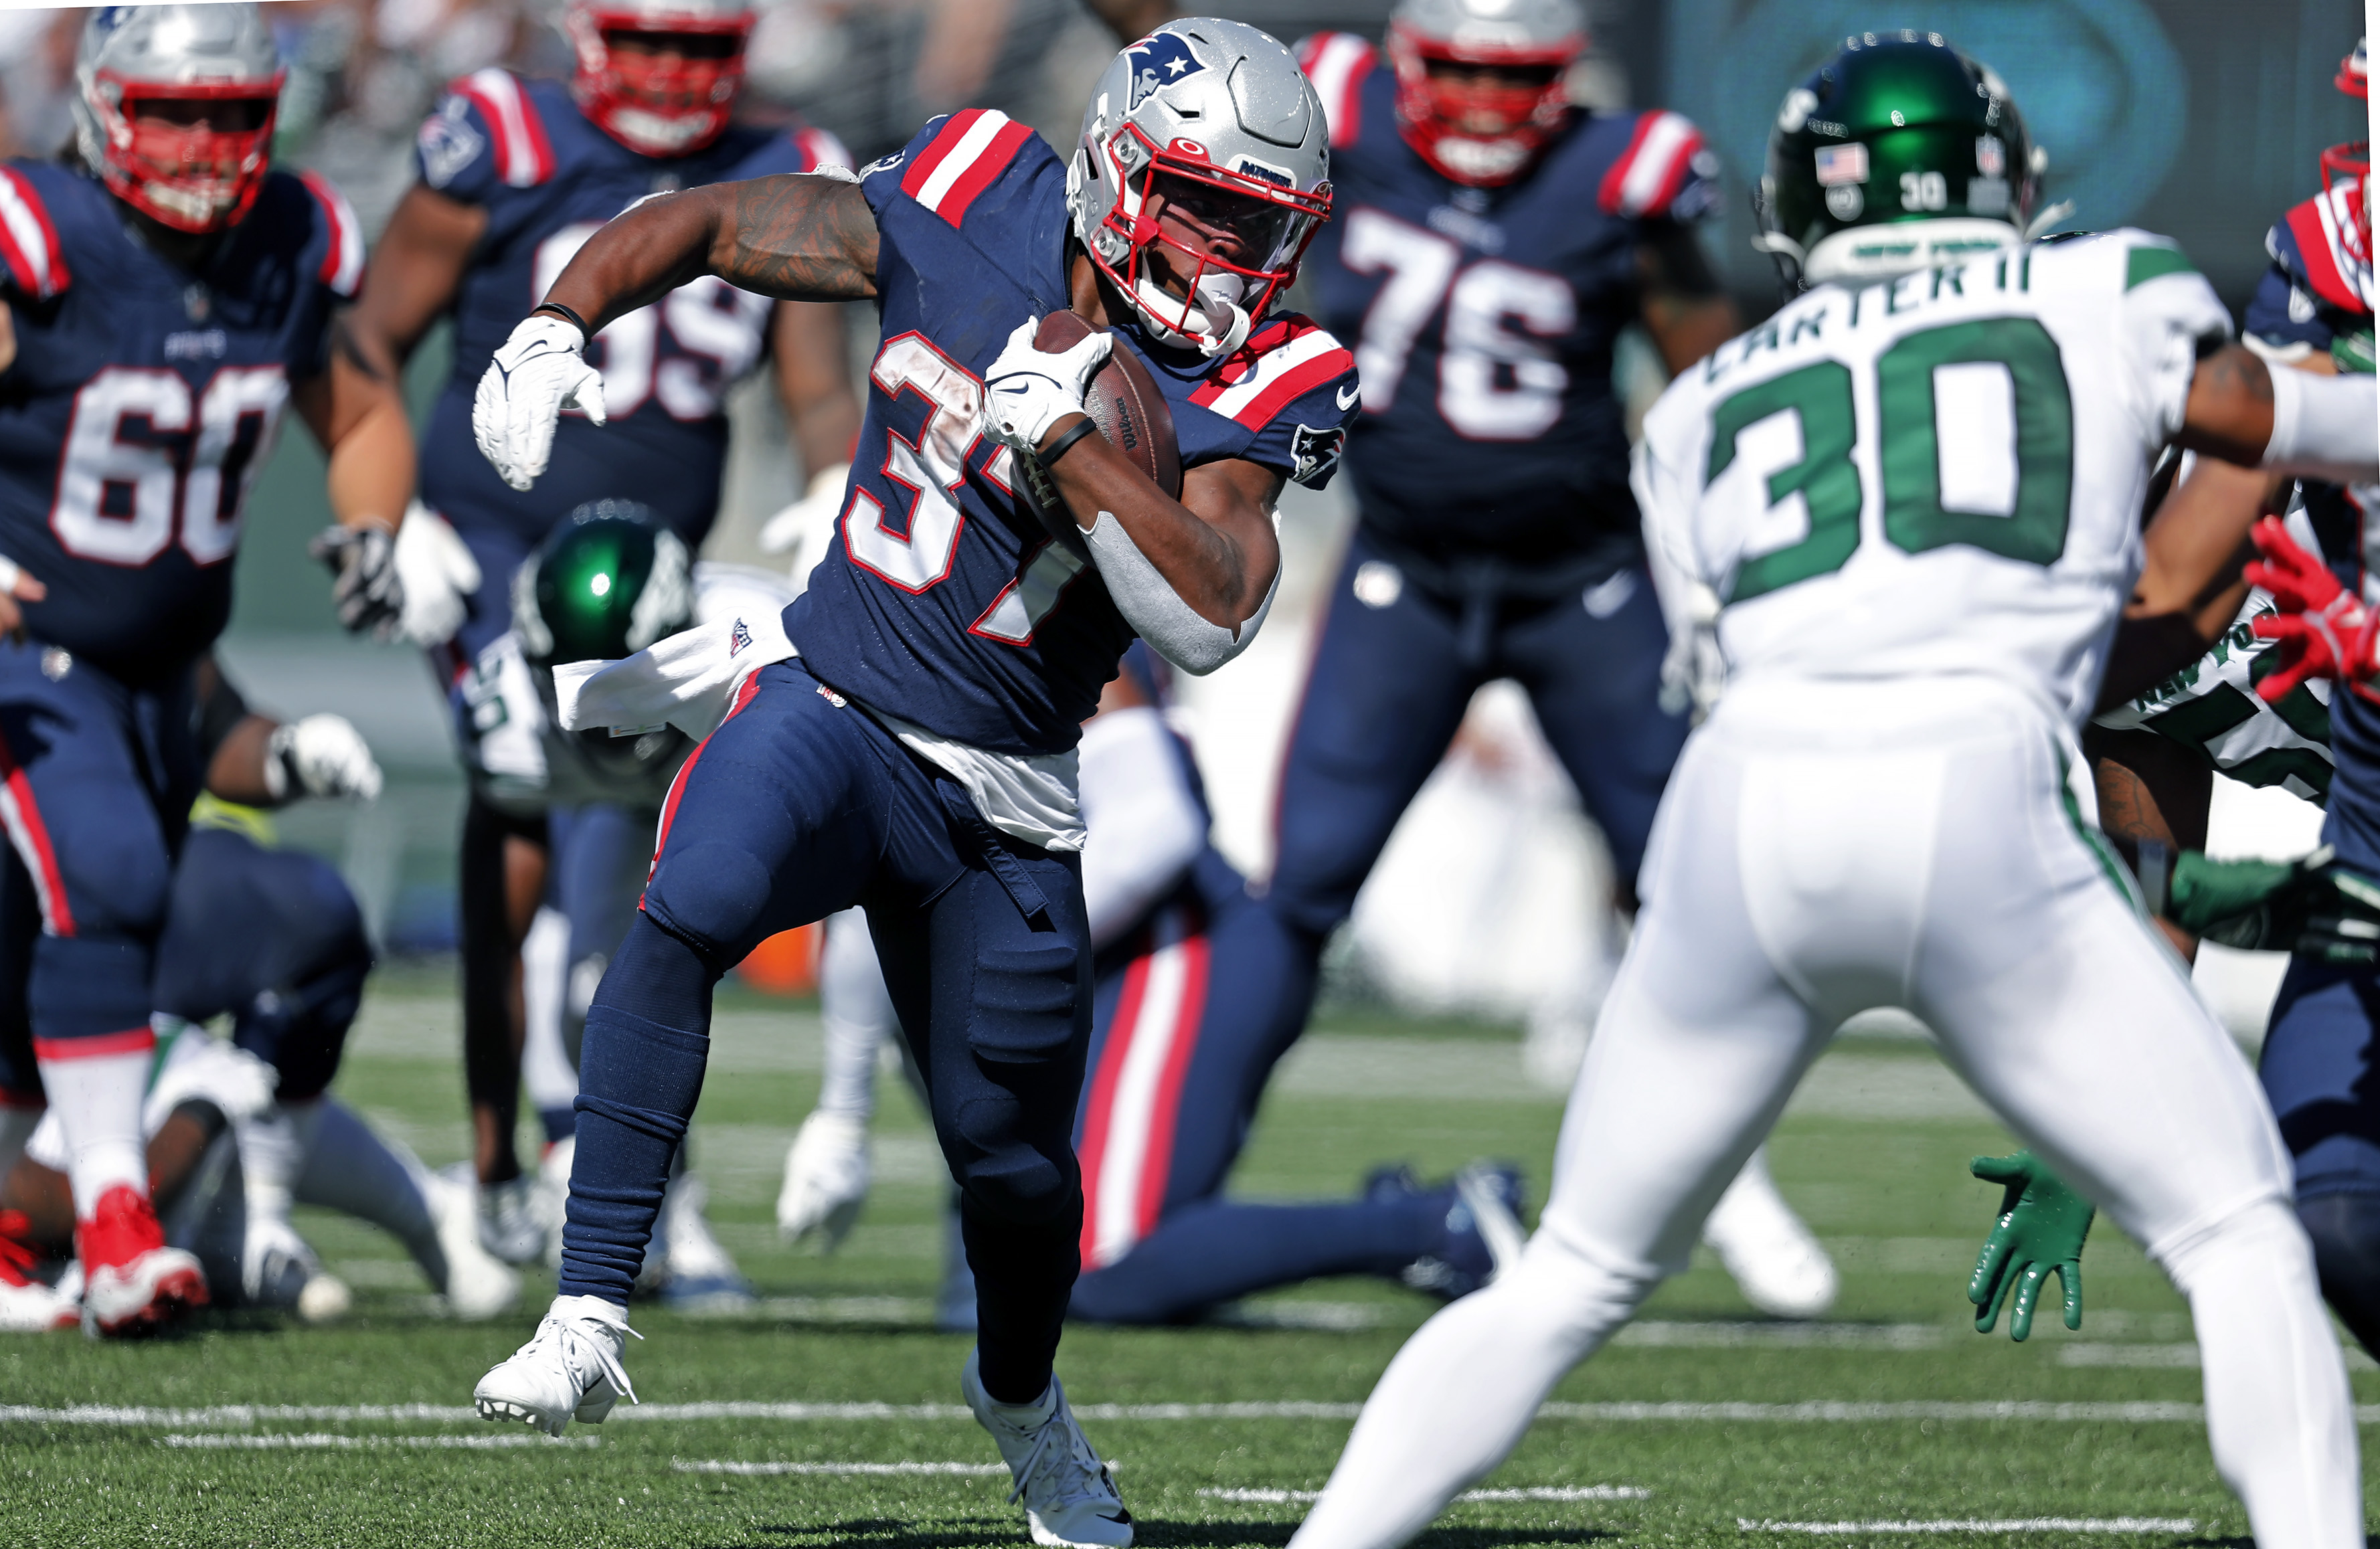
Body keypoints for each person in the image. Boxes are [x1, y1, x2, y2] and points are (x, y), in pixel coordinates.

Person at [1284, 33, 2378, 1549]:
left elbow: (1729, 650)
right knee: (2238, 1229)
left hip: (1748, 805)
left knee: (1577, 1268)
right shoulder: (2110, 286)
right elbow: (2268, 435)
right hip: (1975, 785)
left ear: (1805, 206)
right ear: (2006, 179)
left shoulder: (1697, 404)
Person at [467, 18, 1359, 1545]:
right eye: (1211, 209)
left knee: (1015, 1176)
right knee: (693, 901)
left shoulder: (1271, 373)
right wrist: (562, 317)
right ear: (1121, 174)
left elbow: (1212, 606)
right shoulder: (974, 186)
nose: (1235, 257)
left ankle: (1023, 1403)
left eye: (1263, 227)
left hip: (1010, 799)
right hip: (836, 696)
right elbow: (723, 221)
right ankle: (587, 1307)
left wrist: (1073, 438)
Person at [1277, 1, 1834, 1316]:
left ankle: (1724, 1167)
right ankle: (1171, 1172)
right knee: (1293, 884)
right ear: (1413, 62)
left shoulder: (1620, 171)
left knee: (1689, 884)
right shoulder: (1336, 109)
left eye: (1505, 73)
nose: (1476, 99)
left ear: (1557, 75)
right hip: (1397, 564)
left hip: (1581, 572)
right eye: (1456, 69)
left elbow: (1709, 359)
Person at [337, 0, 860, 1265]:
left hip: (661, 570)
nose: (676, 76)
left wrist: (837, 483)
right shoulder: (505, 133)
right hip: (498, 553)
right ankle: (501, 1158)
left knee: (654, 848)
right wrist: (387, 513)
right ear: (590, 34)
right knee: (523, 789)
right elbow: (366, 337)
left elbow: (815, 383)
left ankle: (615, 1163)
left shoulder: (788, 161)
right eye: (651, 43)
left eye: (700, 48)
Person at [0, 4, 412, 1337]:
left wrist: (380, 523)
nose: (200, 144)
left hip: (162, 671)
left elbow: (354, 406)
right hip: (24, 649)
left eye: (229, 116)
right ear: (106, 106)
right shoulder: (44, 236)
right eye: (173, 112)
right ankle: (120, 1225)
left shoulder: (289, 241)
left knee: (50, 959)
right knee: (107, 878)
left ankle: (29, 1244)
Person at [779, 643, 1529, 1328]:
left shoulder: (1018, 607)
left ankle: (1436, 1223)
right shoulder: (886, 646)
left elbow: (1156, 829)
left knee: (1099, 1261)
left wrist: (1006, 945)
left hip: (1187, 946)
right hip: (1127, 964)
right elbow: (876, 903)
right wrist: (842, 1113)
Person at [0, 658, 518, 1328]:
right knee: (143, 1110)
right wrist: (202, 1110)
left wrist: (285, 756)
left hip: (112, 888)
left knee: (307, 916)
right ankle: (395, 1212)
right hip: (33, 935)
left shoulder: (130, 588)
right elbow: (33, 1198)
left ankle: (265, 1219)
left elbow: (213, 720)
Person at [497, 501, 811, 1305]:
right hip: (635, 807)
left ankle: (974, 1222)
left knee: (897, 985)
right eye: (572, 679)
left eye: (623, 673)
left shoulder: (765, 636)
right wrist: (493, 1147)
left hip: (777, 773)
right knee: (596, 998)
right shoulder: (506, 708)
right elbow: (490, 923)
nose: (601, 706)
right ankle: (672, 1219)